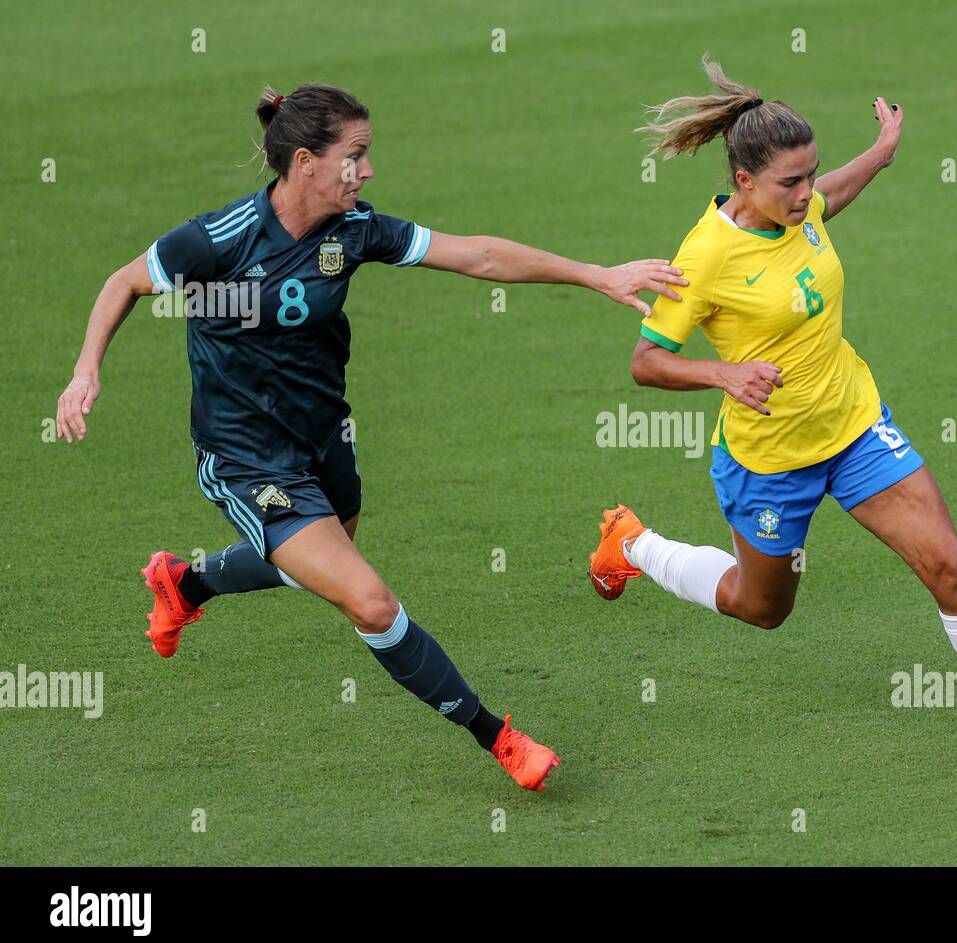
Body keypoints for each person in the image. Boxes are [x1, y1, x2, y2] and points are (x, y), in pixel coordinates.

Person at [56, 83, 687, 792]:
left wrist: (594, 274)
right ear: (306, 163)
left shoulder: (354, 231)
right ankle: (501, 738)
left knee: (315, 560)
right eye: (355, 157)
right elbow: (124, 282)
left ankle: (186, 581)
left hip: (326, 437)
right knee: (369, 601)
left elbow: (477, 256)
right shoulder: (217, 240)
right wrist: (86, 372)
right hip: (244, 457)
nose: (368, 171)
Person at [588, 59, 957, 786]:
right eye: (791, 182)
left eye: (810, 174)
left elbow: (829, 202)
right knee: (761, 609)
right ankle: (633, 545)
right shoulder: (706, 255)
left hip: (855, 427)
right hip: (769, 459)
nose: (807, 192)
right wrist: (721, 372)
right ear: (744, 180)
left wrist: (880, 155)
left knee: (951, 567)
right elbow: (647, 360)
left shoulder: (803, 207)